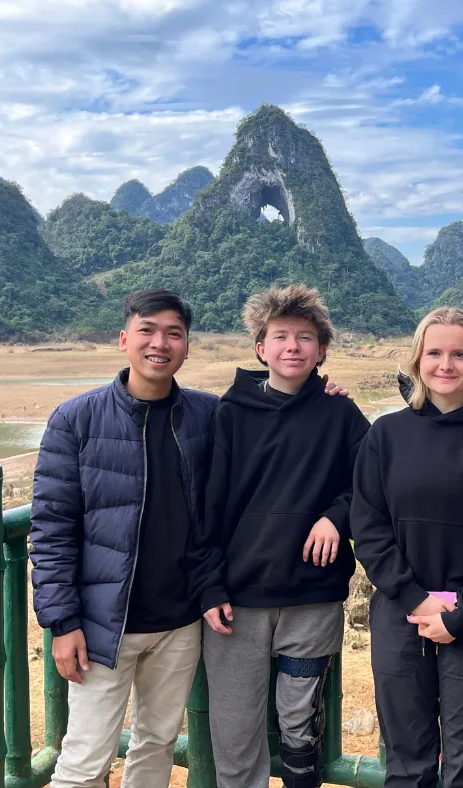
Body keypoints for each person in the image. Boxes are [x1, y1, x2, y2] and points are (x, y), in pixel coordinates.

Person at [30, 289, 218, 788]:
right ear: (123, 339)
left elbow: (271, 413)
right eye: (147, 330)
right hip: (102, 625)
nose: (160, 343)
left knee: (156, 746)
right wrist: (62, 622)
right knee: (85, 760)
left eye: (174, 333)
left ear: (186, 346)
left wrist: (323, 390)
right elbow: (52, 529)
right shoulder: (76, 419)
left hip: (180, 622)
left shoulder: (207, 415)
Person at [187, 283, 370, 788]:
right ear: (260, 348)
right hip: (237, 604)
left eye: (305, 337)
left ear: (321, 350)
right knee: (235, 730)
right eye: (281, 337)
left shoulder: (341, 414)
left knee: (300, 726)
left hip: (312, 598)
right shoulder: (231, 413)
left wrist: (337, 516)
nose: (293, 346)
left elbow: (374, 483)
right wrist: (209, 586)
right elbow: (208, 509)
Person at [350, 306, 463, 788]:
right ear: (417, 360)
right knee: (407, 763)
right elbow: (368, 525)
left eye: (459, 355)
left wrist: (461, 614)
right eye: (434, 353)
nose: (446, 365)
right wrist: (415, 598)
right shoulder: (385, 434)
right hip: (399, 613)